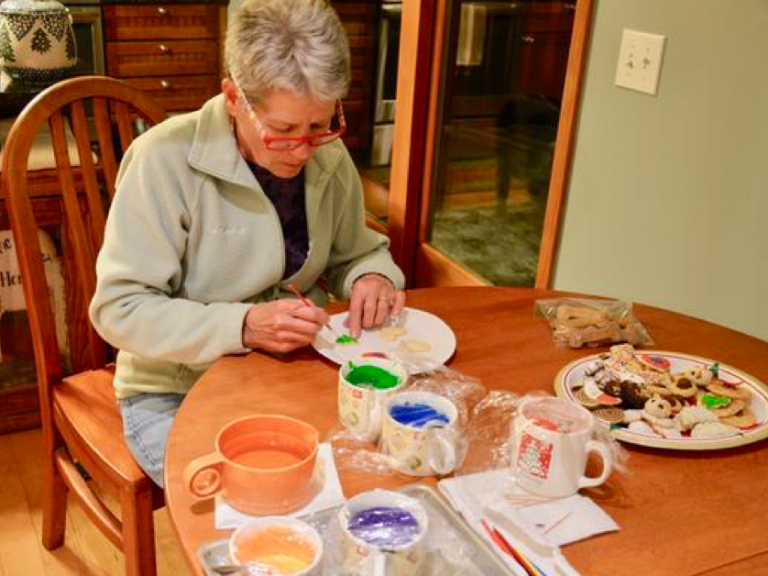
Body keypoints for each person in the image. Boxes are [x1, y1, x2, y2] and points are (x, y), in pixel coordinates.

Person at [89, 0, 406, 487]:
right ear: (234, 97)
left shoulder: (328, 154)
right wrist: (243, 326)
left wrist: (372, 275)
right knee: (261, 492)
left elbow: (356, 250)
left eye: (319, 126)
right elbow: (120, 308)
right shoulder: (163, 160)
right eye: (282, 131)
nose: (304, 150)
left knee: (375, 468)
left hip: (292, 369)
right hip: (176, 388)